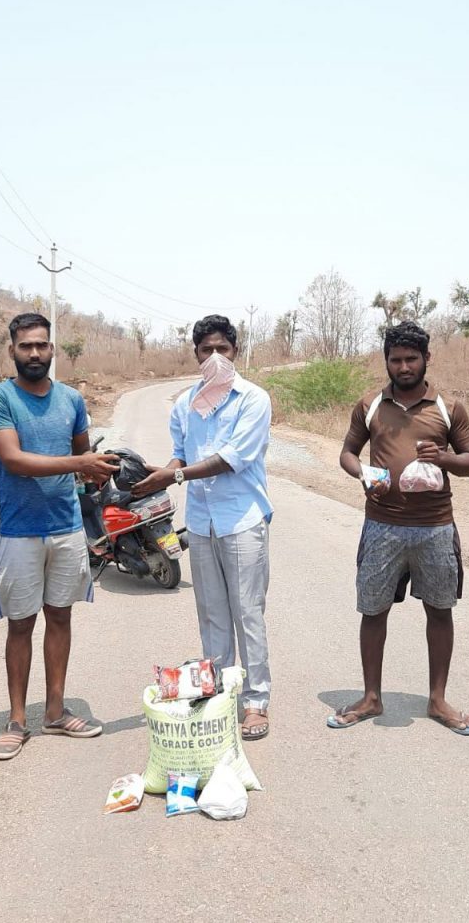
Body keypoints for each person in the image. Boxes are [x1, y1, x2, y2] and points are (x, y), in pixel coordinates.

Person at [327, 321, 469, 735]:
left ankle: (437, 700)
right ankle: (371, 698)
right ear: (387, 362)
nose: (404, 366)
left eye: (412, 358)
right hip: (382, 527)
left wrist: (443, 458)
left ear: (427, 359)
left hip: (435, 527)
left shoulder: (449, 408)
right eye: (396, 359)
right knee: (373, 610)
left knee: (440, 609)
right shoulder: (370, 405)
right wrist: (362, 472)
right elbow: (346, 452)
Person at [0, 313, 118, 761]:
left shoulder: (72, 400)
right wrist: (81, 466)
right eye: (26, 346)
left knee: (60, 617)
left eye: (41, 345)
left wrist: (103, 470)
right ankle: (17, 720)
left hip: (66, 528)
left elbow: (83, 455)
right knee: (21, 624)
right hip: (20, 532)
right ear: (12, 350)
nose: (34, 353)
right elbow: (15, 460)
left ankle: (55, 712)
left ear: (53, 348)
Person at [133, 314, 274, 740]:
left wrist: (173, 477)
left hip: (242, 519)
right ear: (195, 355)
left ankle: (255, 702)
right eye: (206, 350)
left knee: (247, 612)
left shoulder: (253, 399)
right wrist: (159, 473)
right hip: (201, 522)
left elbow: (232, 459)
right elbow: (181, 455)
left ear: (235, 350)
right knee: (211, 613)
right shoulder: (185, 405)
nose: (215, 357)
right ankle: (219, 695)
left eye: (222, 349)